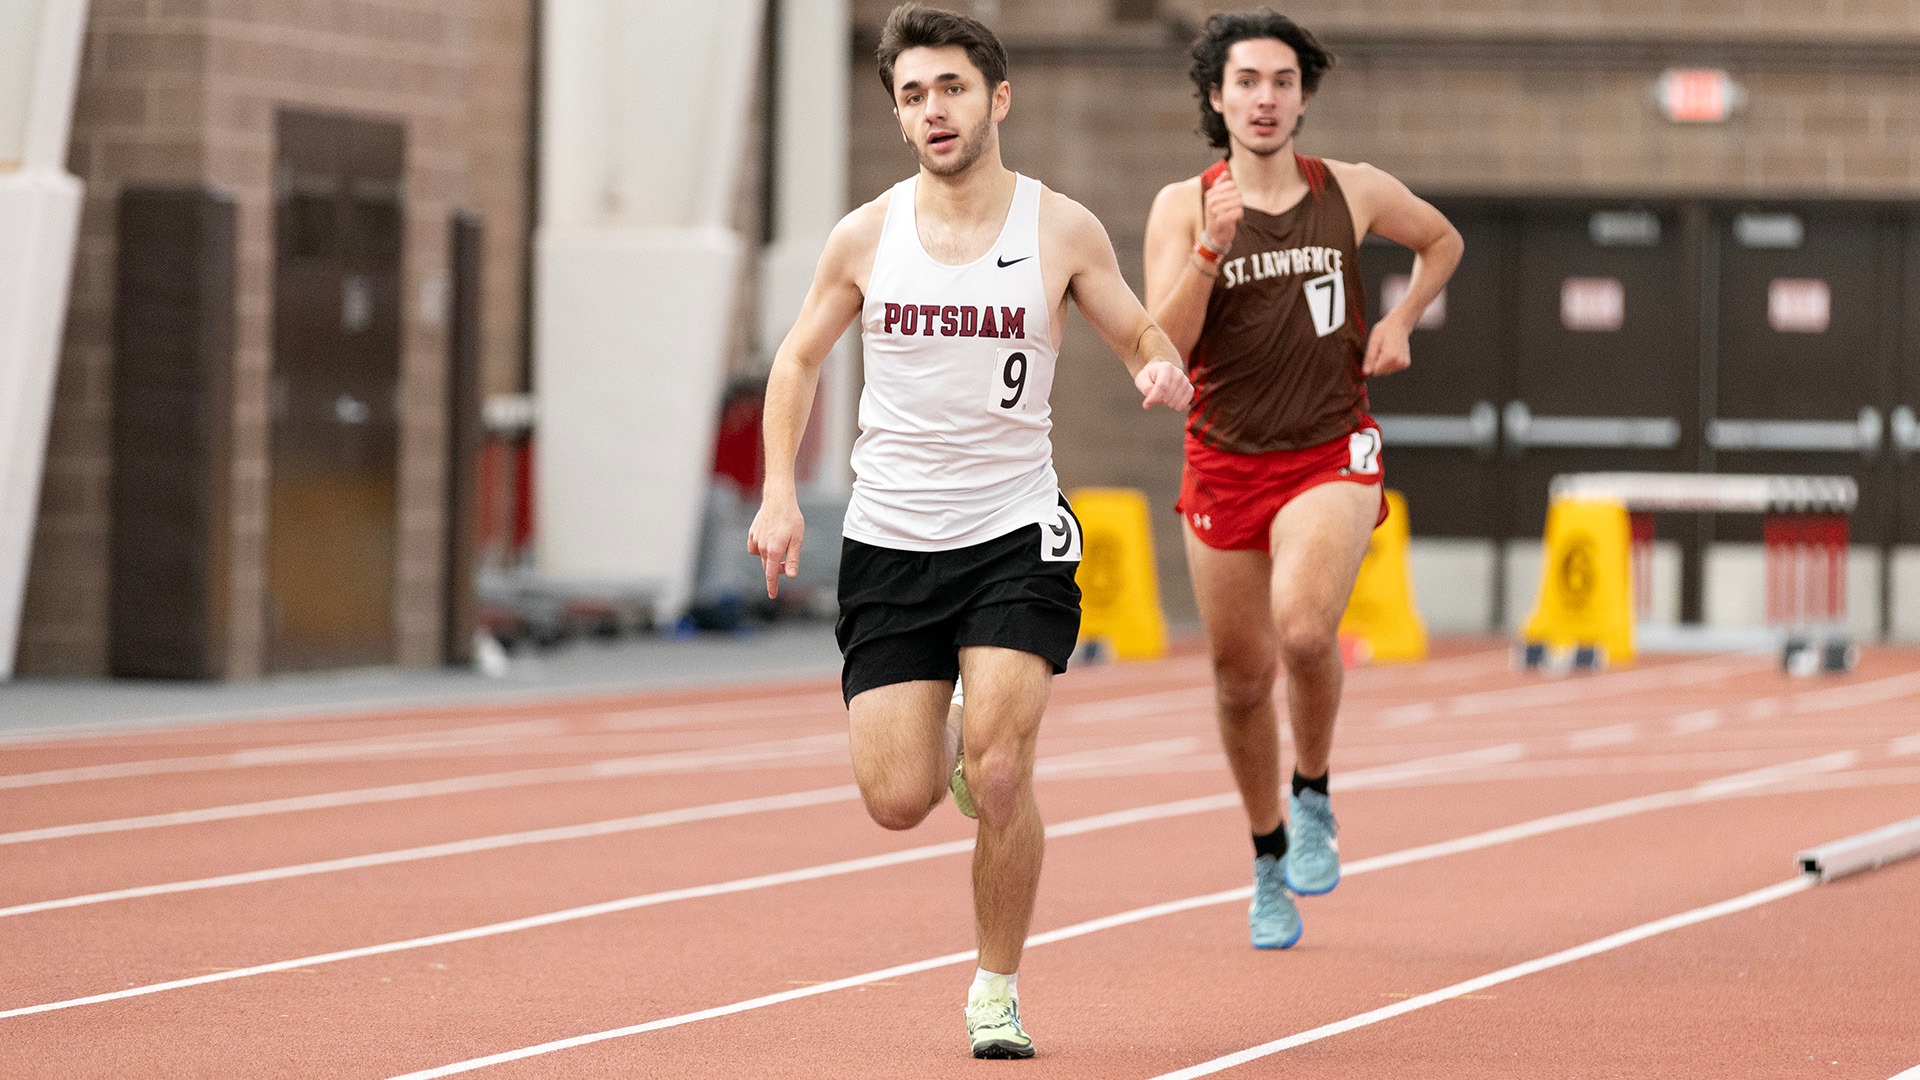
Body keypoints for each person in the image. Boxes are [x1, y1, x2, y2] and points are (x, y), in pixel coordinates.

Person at [748, 3, 1193, 1059]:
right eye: (912, 96)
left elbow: (1134, 325)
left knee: (998, 776)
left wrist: (1155, 364)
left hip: (1012, 529)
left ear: (997, 99)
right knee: (899, 800)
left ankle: (996, 987)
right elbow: (797, 360)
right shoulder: (865, 235)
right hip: (892, 537)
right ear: (898, 118)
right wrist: (777, 492)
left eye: (950, 88)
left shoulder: (1060, 227)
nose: (933, 110)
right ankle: (961, 736)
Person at [1142, 10, 1462, 950]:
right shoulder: (1182, 203)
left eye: (1282, 81)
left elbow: (1439, 240)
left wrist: (1399, 322)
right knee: (1241, 682)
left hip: (1329, 449)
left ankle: (1313, 790)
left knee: (1305, 626)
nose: (1266, 98)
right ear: (1217, 96)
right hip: (1224, 459)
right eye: (1247, 81)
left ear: (1304, 96)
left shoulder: (1350, 191)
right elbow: (1164, 341)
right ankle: (1268, 857)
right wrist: (1210, 247)